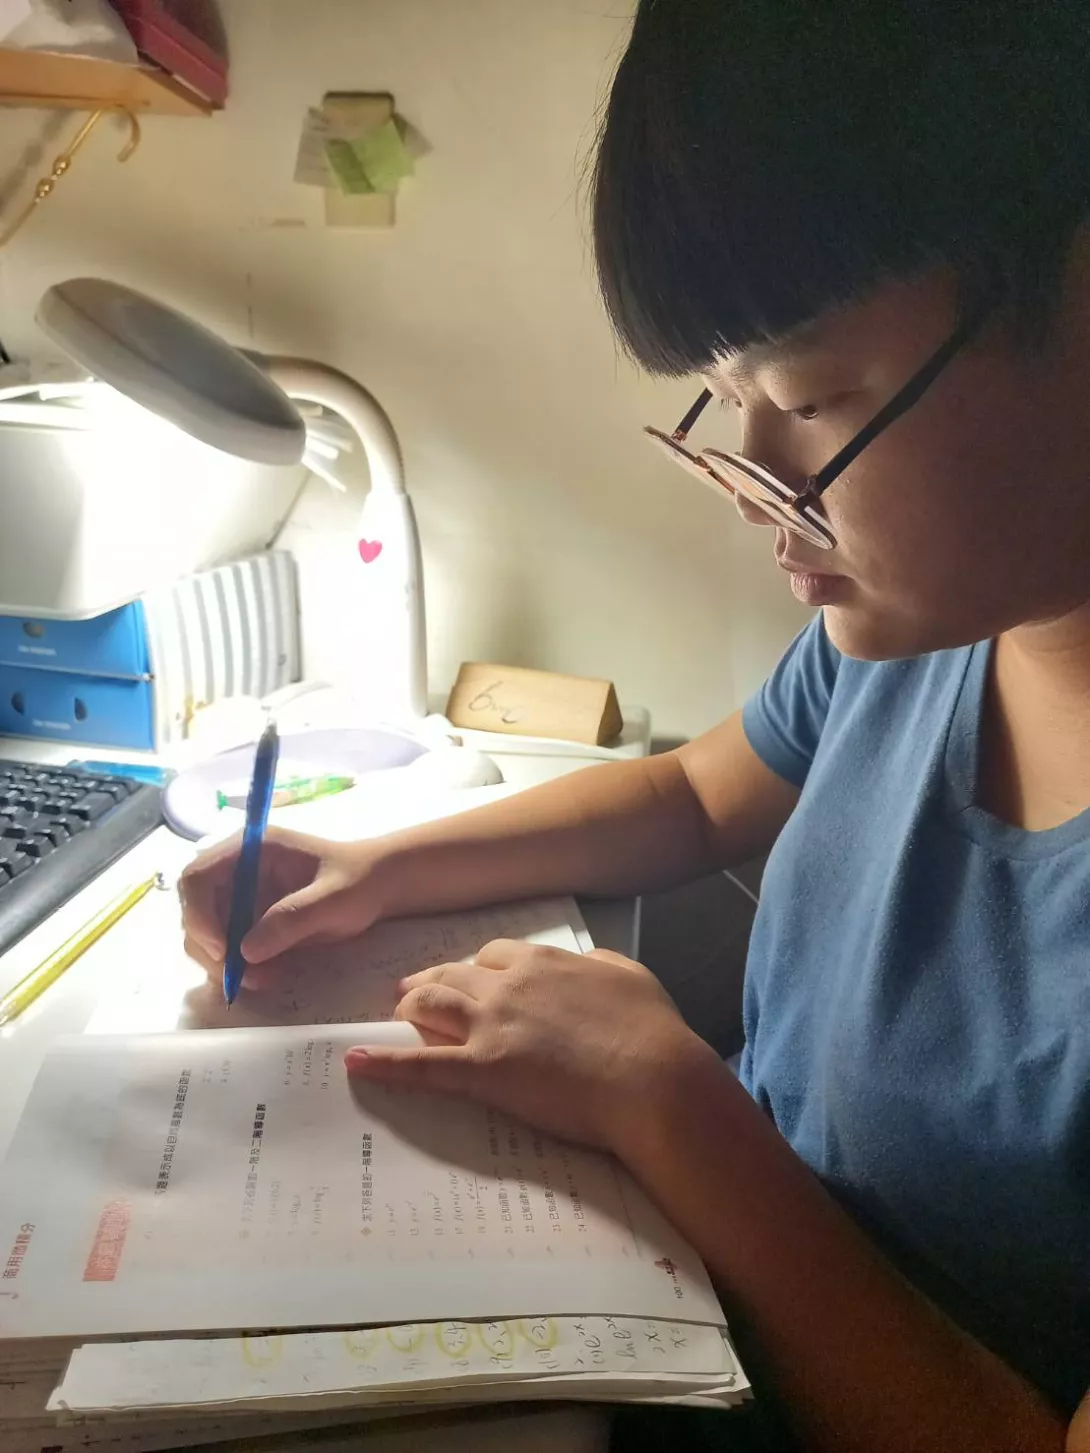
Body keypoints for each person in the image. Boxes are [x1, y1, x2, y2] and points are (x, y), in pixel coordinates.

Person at [180, 2, 1090, 1449]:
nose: (755, 477)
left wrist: (671, 1105)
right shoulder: (921, 634)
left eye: (808, 396)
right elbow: (692, 795)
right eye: (727, 399)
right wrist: (377, 868)